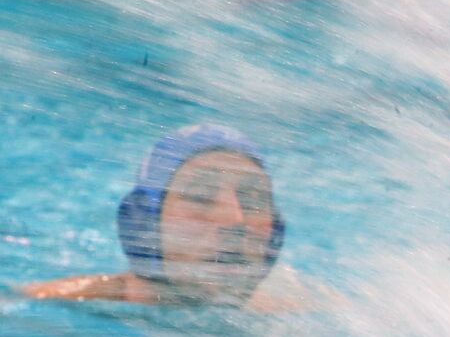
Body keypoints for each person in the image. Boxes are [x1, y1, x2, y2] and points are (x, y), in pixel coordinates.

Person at [22, 124, 286, 308]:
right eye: (201, 195)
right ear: (144, 222)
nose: (235, 219)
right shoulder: (54, 303)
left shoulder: (291, 315)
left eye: (253, 200)